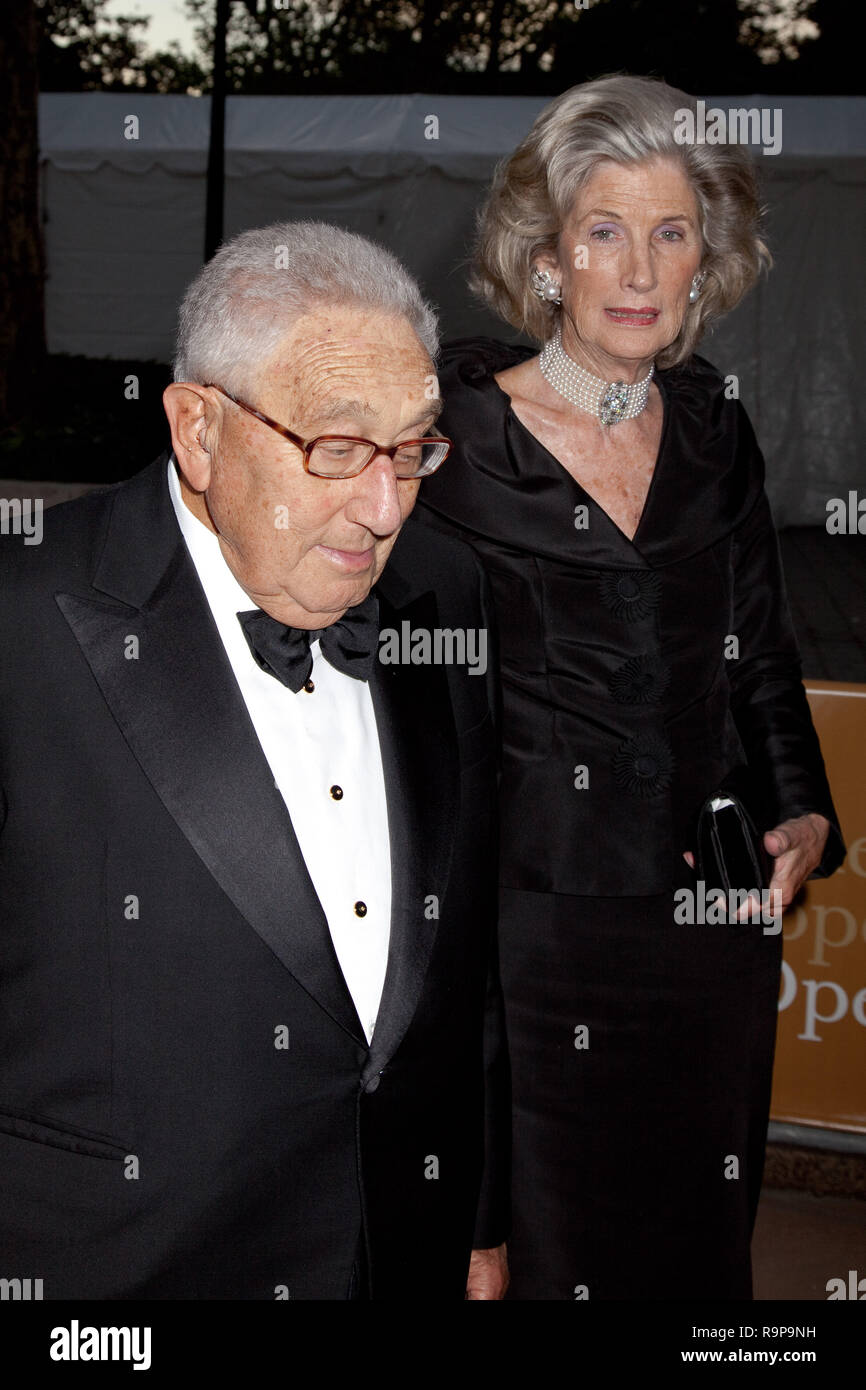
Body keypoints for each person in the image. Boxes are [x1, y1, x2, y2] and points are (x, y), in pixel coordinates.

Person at [0, 221, 509, 1300]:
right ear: (196, 429)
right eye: (334, 447)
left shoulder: (445, 593)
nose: (383, 509)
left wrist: (473, 1213)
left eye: (412, 447)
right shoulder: (21, 619)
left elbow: (464, 954)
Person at [415, 75, 844, 1300]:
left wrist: (802, 813)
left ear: (706, 258)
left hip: (708, 925)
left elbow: (758, 656)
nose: (639, 268)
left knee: (694, 1260)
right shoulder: (451, 442)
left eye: (670, 233)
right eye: (603, 230)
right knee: (531, 1263)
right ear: (546, 258)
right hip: (523, 947)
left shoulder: (715, 431)